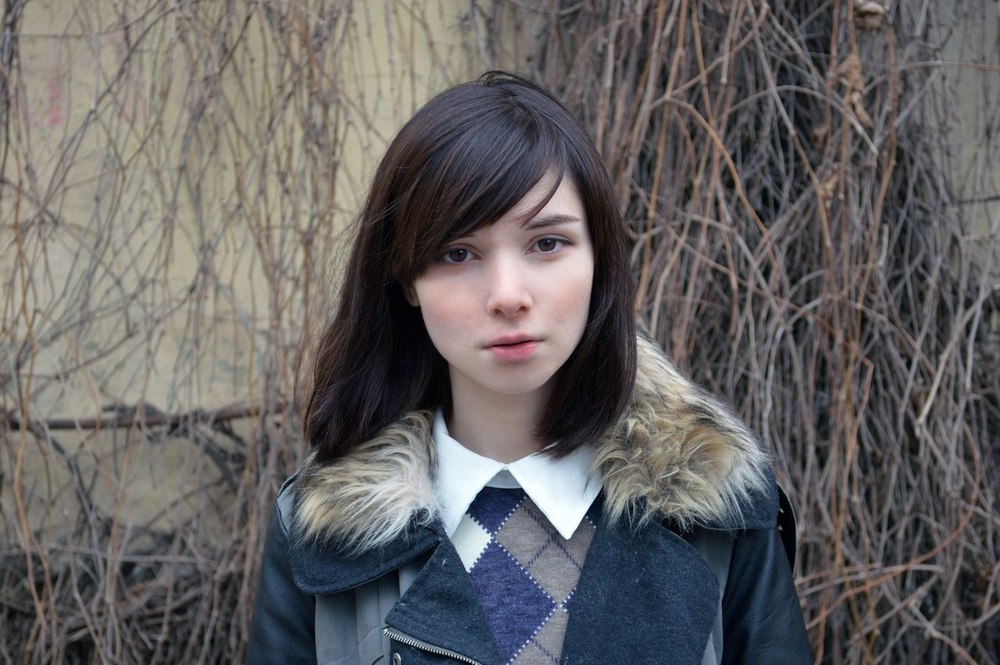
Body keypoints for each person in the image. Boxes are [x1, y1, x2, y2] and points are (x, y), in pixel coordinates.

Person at [247, 71, 811, 665]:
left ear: (600, 259)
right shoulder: (323, 534)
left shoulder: (718, 512)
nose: (508, 295)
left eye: (546, 244)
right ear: (407, 281)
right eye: (457, 253)